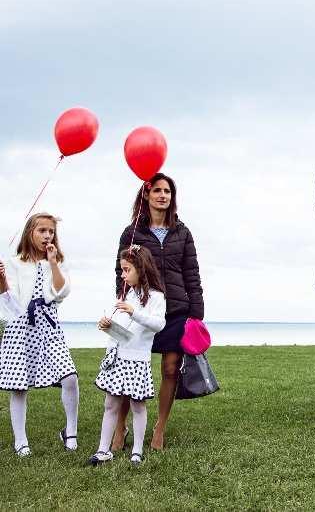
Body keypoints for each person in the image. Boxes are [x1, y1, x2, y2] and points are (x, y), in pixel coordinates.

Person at [111, 172, 204, 451]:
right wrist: (122, 303)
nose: (163, 195)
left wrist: (196, 313)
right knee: (129, 369)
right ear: (147, 195)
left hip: (175, 310)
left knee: (170, 368)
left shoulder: (183, 232)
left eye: (168, 191)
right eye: (158, 191)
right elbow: (121, 272)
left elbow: (192, 273)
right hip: (140, 309)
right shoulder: (132, 232)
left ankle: (160, 428)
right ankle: (120, 427)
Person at [0, 213, 79, 457]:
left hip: (49, 326)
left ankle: (70, 432)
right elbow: (11, 305)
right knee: (19, 385)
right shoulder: (14, 263)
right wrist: (2, 281)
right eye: (42, 231)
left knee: (70, 377)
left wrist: (53, 263)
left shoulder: (58, 261)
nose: (47, 236)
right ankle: (21, 440)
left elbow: (61, 292)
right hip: (21, 327)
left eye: (51, 231)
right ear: (30, 233)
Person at [89, 245, 166, 466]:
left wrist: (135, 312)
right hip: (117, 357)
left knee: (138, 405)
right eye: (122, 270)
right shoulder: (127, 293)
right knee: (110, 404)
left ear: (141, 268)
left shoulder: (156, 297)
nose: (122, 275)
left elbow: (158, 324)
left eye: (126, 270)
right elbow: (122, 328)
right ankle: (103, 450)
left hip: (137, 360)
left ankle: (137, 450)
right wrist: (107, 324)